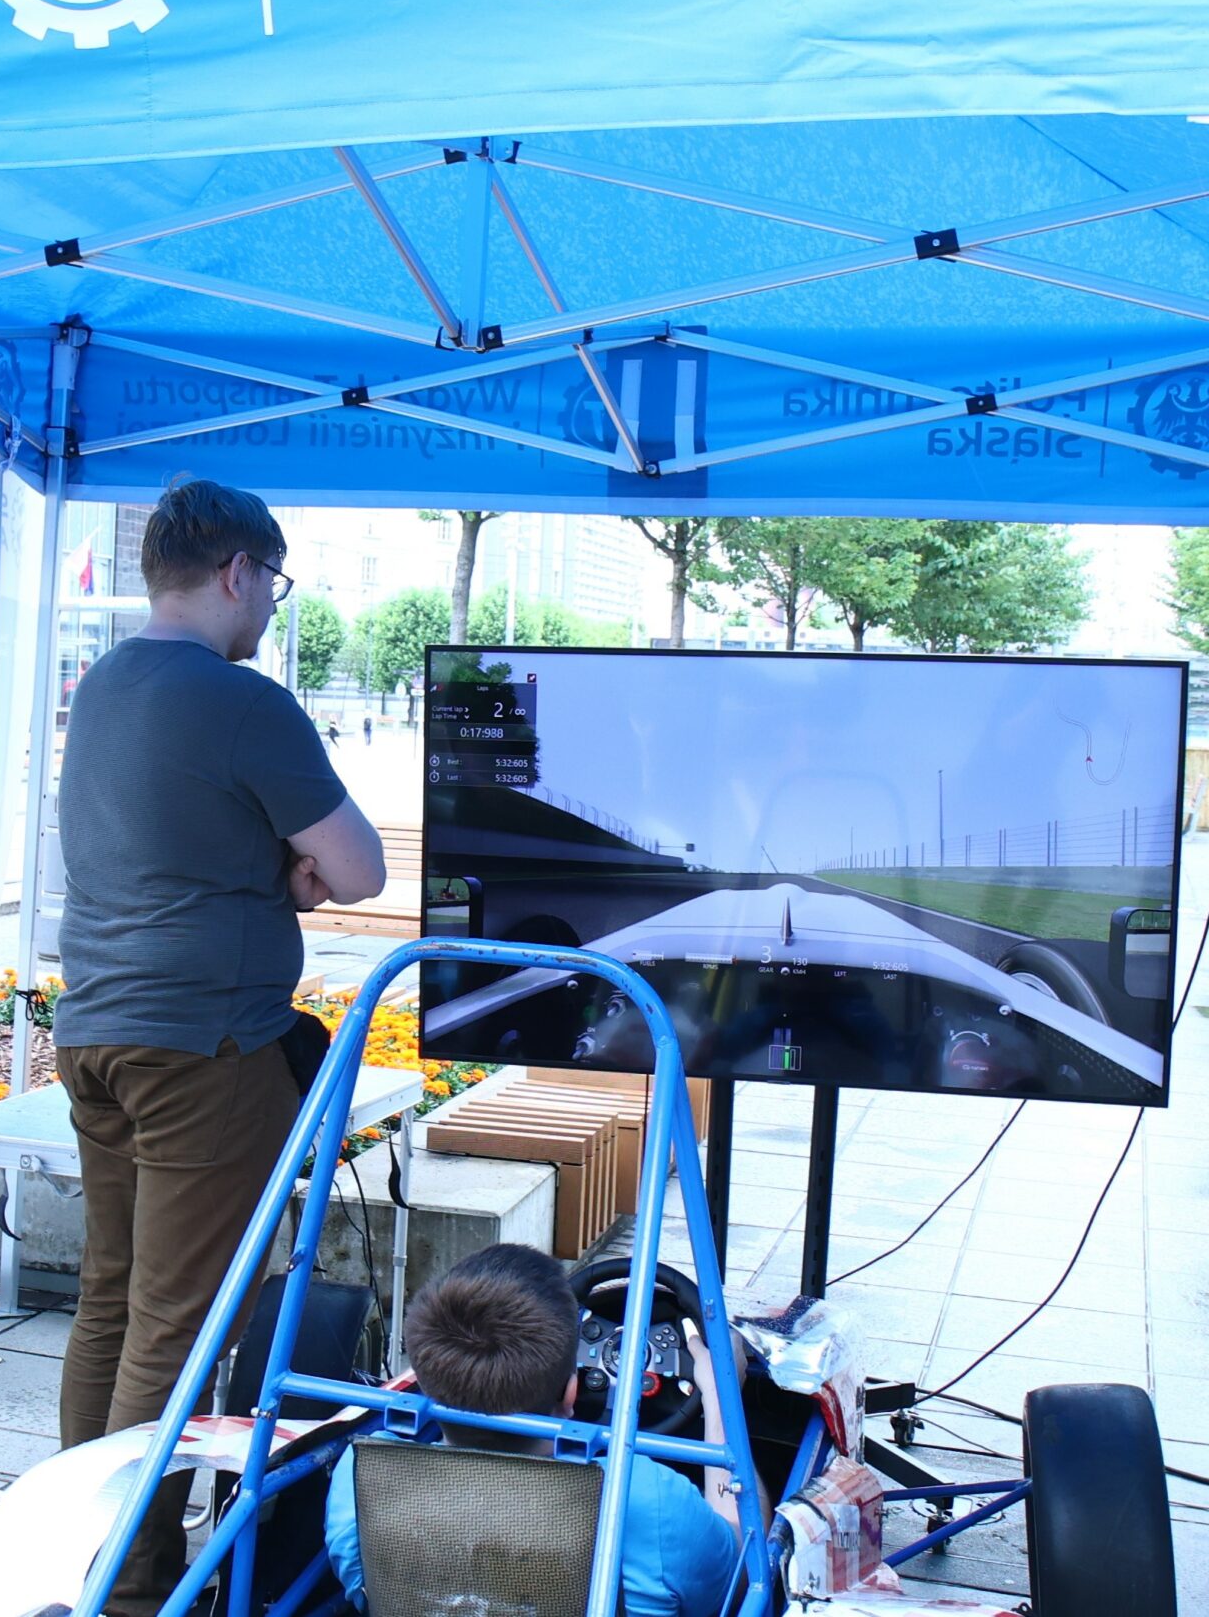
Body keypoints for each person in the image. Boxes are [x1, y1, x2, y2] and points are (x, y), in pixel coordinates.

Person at [54, 479, 385, 1614]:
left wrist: (264, 867)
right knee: (179, 1325)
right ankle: (132, 1585)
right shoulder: (244, 701)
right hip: (205, 1045)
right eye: (273, 584)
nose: (270, 607)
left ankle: (75, 1549)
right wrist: (291, 871)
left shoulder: (104, 684)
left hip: (97, 1032)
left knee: (110, 1300)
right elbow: (360, 871)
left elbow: (176, 843)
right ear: (239, 571)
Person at [323, 1245, 737, 1617]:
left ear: (426, 1378)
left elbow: (363, 1595)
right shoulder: (646, 1497)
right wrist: (720, 1402)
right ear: (571, 1391)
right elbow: (740, 1573)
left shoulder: (361, 1480)